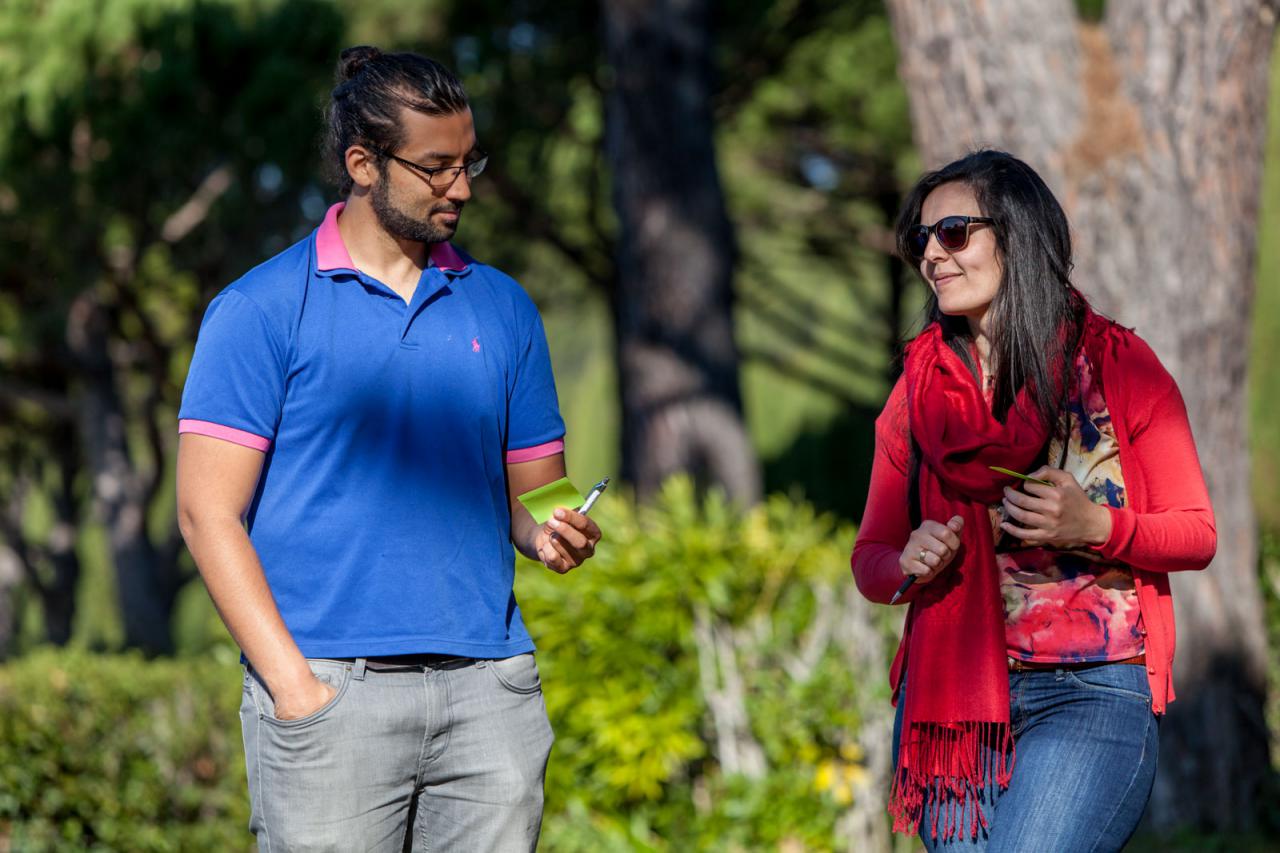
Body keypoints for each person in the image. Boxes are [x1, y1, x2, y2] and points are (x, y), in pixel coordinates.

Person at [175, 46, 601, 851]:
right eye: (436, 168)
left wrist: (556, 530)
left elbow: (537, 492)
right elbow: (206, 514)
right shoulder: (260, 309)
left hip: (489, 693)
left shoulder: (505, 308)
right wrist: (293, 686)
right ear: (362, 164)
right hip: (328, 692)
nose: (461, 187)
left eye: (470, 162)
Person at [850, 150, 1215, 852]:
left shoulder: (1117, 365)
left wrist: (1095, 524)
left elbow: (1196, 531)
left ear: (1016, 235)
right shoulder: (916, 393)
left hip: (1092, 696)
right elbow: (871, 558)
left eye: (954, 232)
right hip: (951, 711)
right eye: (921, 238)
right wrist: (906, 561)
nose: (932, 254)